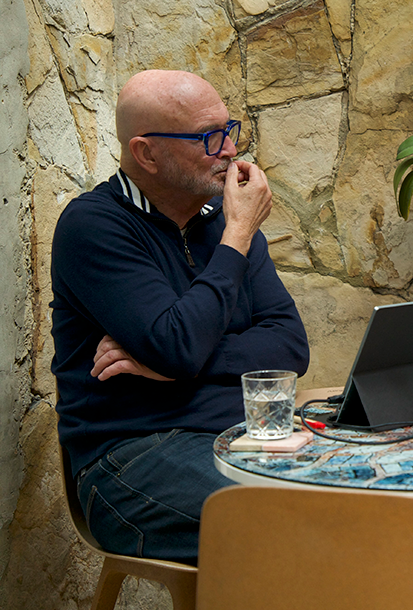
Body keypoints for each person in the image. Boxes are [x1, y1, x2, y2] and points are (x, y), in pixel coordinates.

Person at [50, 69, 310, 564]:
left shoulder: (220, 219)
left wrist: (167, 362)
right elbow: (179, 346)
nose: (229, 151)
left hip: (243, 440)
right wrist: (238, 235)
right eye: (208, 138)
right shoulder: (93, 226)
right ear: (146, 153)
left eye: (228, 130)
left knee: (364, 499)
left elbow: (289, 346)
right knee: (289, 524)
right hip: (133, 457)